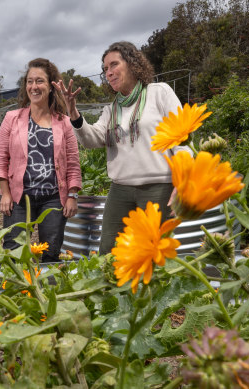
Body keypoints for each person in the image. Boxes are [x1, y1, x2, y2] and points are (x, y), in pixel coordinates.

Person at [53, 41, 188, 255]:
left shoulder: (158, 93)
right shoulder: (112, 110)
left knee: (153, 252)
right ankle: (113, 289)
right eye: (105, 69)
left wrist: (183, 181)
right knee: (109, 251)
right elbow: (92, 139)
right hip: (120, 189)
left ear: (133, 64)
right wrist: (74, 113)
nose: (109, 72)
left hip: (158, 188)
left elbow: (181, 137)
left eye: (114, 65)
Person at [0, 58, 82, 262]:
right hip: (19, 198)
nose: (34, 86)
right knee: (13, 250)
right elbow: (1, 158)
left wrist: (72, 195)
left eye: (40, 81)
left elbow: (72, 163)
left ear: (51, 86)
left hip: (53, 197)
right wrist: (5, 193)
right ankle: (16, 291)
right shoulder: (12, 118)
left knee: (50, 253)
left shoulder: (64, 123)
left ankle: (47, 292)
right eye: (30, 81)